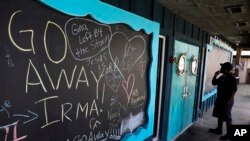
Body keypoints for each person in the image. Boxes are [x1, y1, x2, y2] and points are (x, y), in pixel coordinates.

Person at [209, 62, 237, 140]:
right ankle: (219, 129)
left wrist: (227, 102)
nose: (221, 69)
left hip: (227, 101)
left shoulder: (232, 79)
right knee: (220, 114)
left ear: (226, 70)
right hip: (220, 99)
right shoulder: (222, 77)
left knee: (228, 118)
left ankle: (229, 134)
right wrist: (215, 75)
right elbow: (214, 83)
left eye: (222, 68)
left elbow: (233, 91)